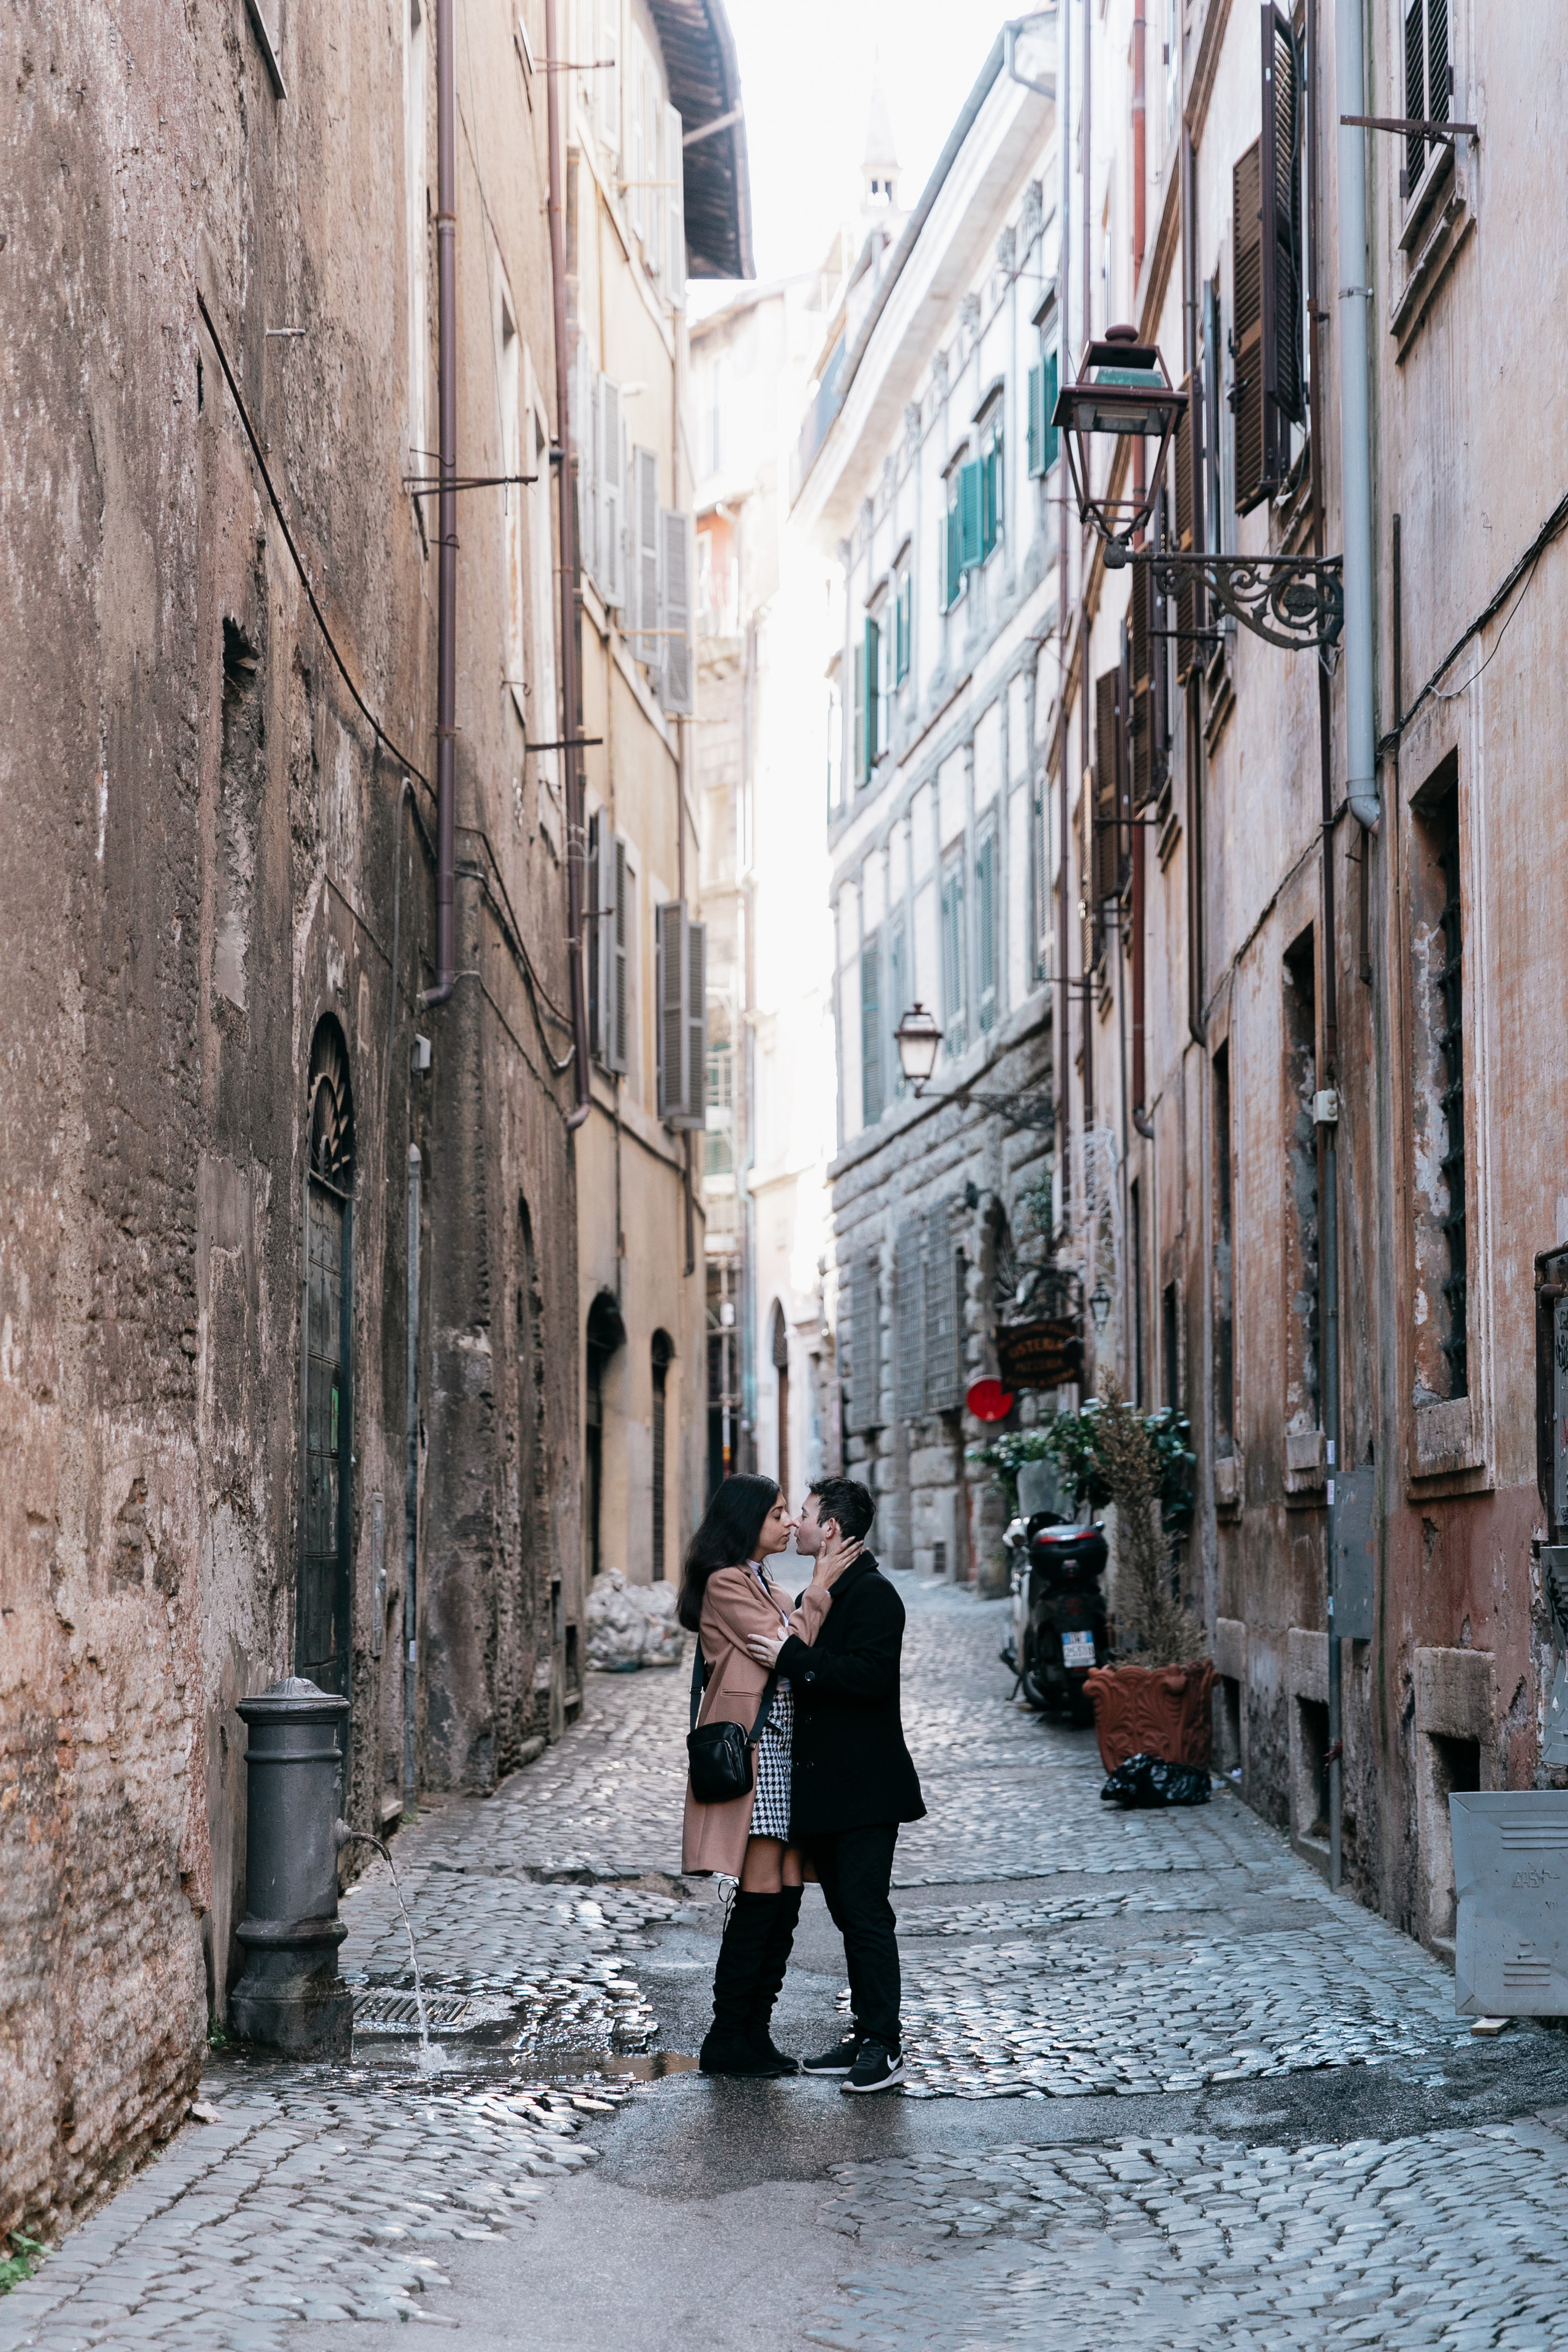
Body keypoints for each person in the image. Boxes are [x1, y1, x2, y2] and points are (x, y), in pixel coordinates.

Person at [679, 1474, 862, 2076]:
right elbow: (788, 1646)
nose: (790, 1522)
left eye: (791, 1512)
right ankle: (727, 2035)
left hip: (782, 1756)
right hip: (755, 1758)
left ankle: (752, 2031)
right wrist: (820, 1588)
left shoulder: (760, 1579)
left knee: (783, 1894)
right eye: (778, 1513)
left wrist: (804, 1615)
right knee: (760, 1895)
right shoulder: (726, 1583)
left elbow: (797, 1646)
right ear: (746, 1520)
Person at [747, 1476, 924, 2094]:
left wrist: (792, 1661)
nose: (794, 1522)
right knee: (850, 1916)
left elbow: (868, 1679)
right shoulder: (827, 1590)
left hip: (866, 1788)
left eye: (803, 1513)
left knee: (867, 1917)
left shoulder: (874, 1596)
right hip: (826, 1788)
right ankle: (864, 2032)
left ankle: (884, 2045)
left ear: (829, 1529)